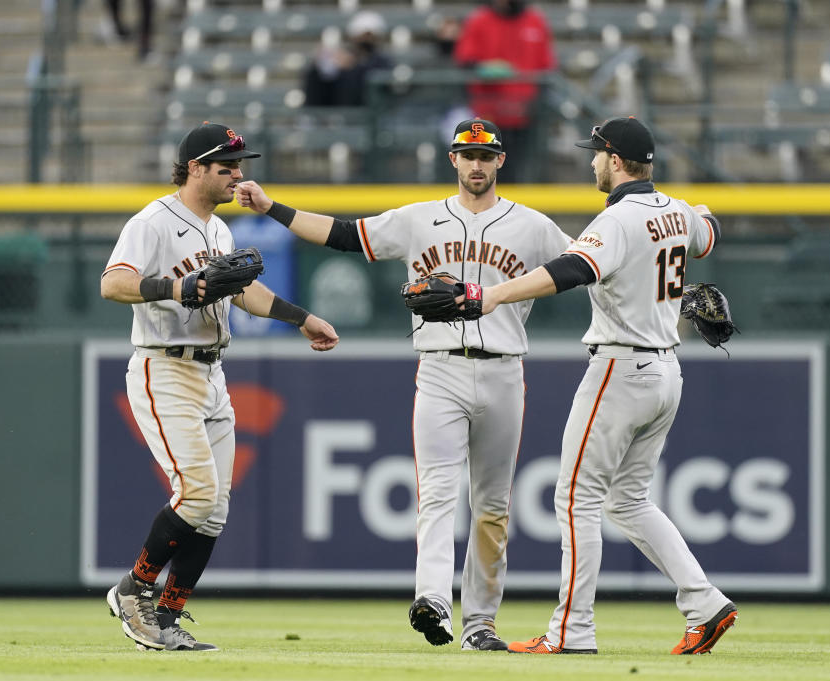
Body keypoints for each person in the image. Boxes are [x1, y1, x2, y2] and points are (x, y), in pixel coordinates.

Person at [235, 118, 572, 651]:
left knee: (492, 507)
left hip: (505, 369)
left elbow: (586, 264)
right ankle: (433, 599)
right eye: (467, 154)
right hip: (438, 368)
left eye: (486, 155)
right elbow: (345, 235)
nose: (477, 164)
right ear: (453, 160)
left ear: (501, 161)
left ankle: (480, 625)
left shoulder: (532, 226)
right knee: (436, 494)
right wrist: (271, 207)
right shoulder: (420, 219)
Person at [464, 116, 738, 655]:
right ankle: (704, 602)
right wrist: (699, 212)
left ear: (615, 161)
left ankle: (572, 633)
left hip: (621, 367)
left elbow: (569, 270)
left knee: (574, 498)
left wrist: (493, 295)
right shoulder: (676, 211)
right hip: (666, 371)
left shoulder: (617, 219)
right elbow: (710, 232)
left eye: (596, 154)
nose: (591, 161)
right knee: (628, 500)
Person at [100, 121, 339, 652]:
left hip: (212, 372)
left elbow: (243, 291)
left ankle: (166, 617)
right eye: (226, 166)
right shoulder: (154, 221)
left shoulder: (220, 229)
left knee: (216, 507)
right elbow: (112, 283)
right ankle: (133, 589)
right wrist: (176, 285)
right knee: (199, 493)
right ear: (194, 168)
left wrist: (300, 318)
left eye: (239, 165)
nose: (238, 175)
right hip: (165, 368)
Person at [453, 0, 555, 182]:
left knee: (523, 173)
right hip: (487, 117)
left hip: (526, 116)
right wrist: (483, 68)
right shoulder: (479, 20)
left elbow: (546, 67)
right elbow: (466, 61)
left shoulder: (535, 21)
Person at [302, 10, 393, 107]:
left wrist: (354, 65)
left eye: (370, 36)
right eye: (363, 35)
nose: (367, 39)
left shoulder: (383, 61)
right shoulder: (341, 57)